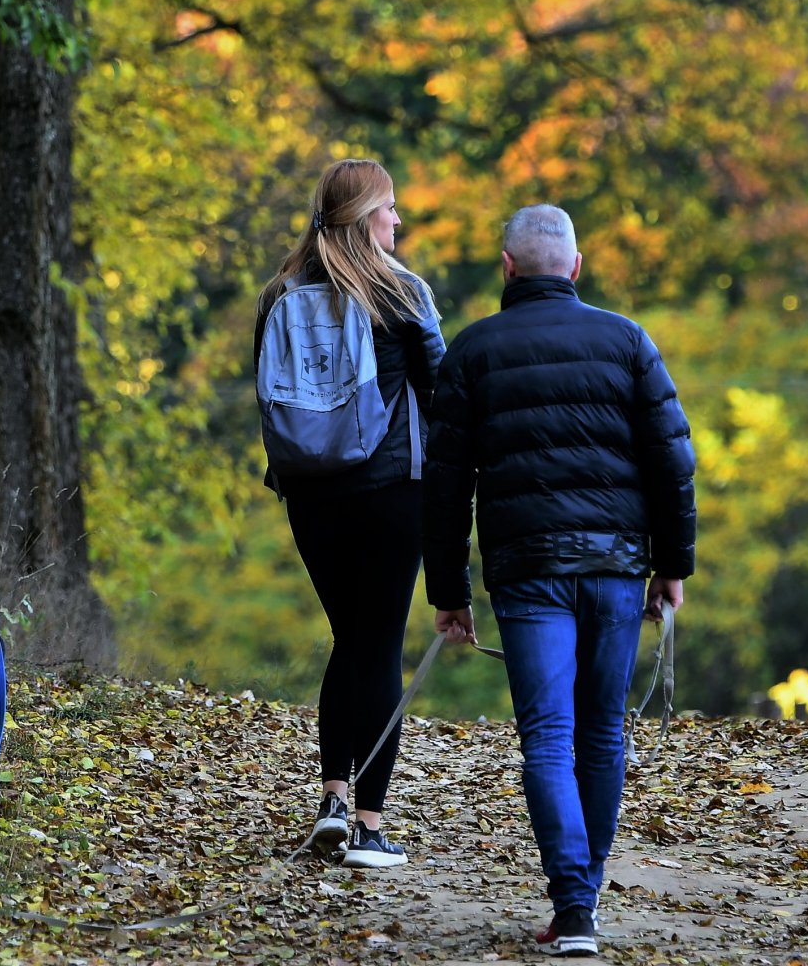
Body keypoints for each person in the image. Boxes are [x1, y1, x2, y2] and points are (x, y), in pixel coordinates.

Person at [422, 204, 696, 956]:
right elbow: (674, 463)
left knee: (547, 737)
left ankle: (574, 908)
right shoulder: (627, 340)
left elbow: (443, 486)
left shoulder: (472, 352)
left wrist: (449, 589)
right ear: (574, 267)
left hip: (528, 569)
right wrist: (671, 565)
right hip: (614, 567)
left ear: (508, 268)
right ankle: (587, 899)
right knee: (602, 731)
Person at [255, 158, 445, 868]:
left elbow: (268, 395)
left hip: (312, 495)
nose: (398, 220)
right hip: (393, 489)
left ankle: (333, 797)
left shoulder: (280, 293)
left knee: (348, 640)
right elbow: (440, 391)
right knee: (379, 647)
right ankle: (369, 825)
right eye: (390, 208)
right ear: (367, 215)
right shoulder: (402, 294)